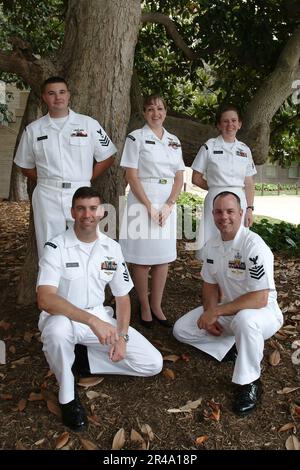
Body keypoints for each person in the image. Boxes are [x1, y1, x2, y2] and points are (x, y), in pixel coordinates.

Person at [37, 187, 163, 431]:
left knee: (152, 363)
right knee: (56, 332)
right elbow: (45, 300)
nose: (88, 214)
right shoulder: (55, 246)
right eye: (81, 208)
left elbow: (123, 297)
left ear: (102, 212)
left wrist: (123, 336)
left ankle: (83, 358)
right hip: (64, 316)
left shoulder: (112, 248)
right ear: (72, 212)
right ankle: (68, 395)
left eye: (93, 208)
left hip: (98, 315)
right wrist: (93, 322)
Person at [173, 192, 283, 415]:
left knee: (245, 320)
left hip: (262, 313)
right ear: (212, 214)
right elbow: (209, 285)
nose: (224, 217)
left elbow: (260, 298)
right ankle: (233, 347)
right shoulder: (212, 246)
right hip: (230, 309)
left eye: (230, 211)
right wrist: (209, 312)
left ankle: (250, 382)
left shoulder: (253, 246)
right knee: (181, 330)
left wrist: (216, 311)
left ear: (241, 213)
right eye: (219, 211)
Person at [14, 76, 117, 258]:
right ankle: (52, 286)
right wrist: (47, 180)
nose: (58, 97)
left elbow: (107, 156)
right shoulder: (34, 130)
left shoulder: (89, 124)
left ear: (68, 95)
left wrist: (86, 178)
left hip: (81, 193)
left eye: (62, 92)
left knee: (85, 246)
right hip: (47, 195)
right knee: (49, 249)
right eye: (51, 93)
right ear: (44, 97)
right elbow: (25, 166)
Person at [119, 94, 185, 328]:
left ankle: (157, 304)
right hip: (141, 201)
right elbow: (131, 175)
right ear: (144, 113)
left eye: (160, 108)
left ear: (165, 111)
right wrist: (149, 207)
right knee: (141, 259)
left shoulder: (174, 140)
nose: (155, 113)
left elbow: (179, 177)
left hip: (167, 202)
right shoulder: (135, 138)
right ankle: (144, 306)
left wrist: (168, 206)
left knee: (162, 258)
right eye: (150, 109)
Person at [191, 105, 256, 257]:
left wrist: (250, 209)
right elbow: (196, 178)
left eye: (234, 121)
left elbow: (249, 183)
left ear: (239, 124)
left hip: (239, 202)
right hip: (214, 201)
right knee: (211, 245)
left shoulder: (244, 150)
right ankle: (211, 277)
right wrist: (216, 189)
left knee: (237, 249)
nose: (230, 125)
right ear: (219, 125)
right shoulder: (209, 146)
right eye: (225, 121)